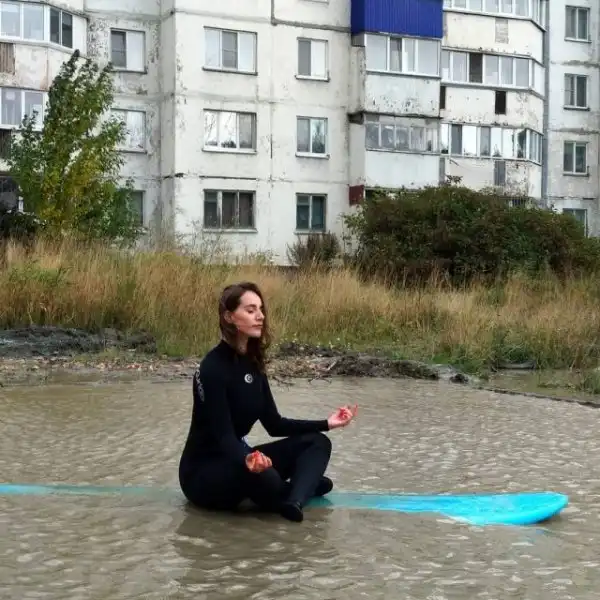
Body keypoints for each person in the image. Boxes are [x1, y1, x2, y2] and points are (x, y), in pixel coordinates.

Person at [178, 281, 358, 523]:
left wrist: (327, 423)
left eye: (261, 309)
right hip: (203, 475)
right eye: (250, 310)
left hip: (239, 459)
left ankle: (294, 502)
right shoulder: (212, 368)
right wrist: (248, 459)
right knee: (265, 476)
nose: (260, 316)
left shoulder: (253, 363)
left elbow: (275, 424)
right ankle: (297, 487)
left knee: (317, 442)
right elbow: (224, 437)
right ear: (229, 317)